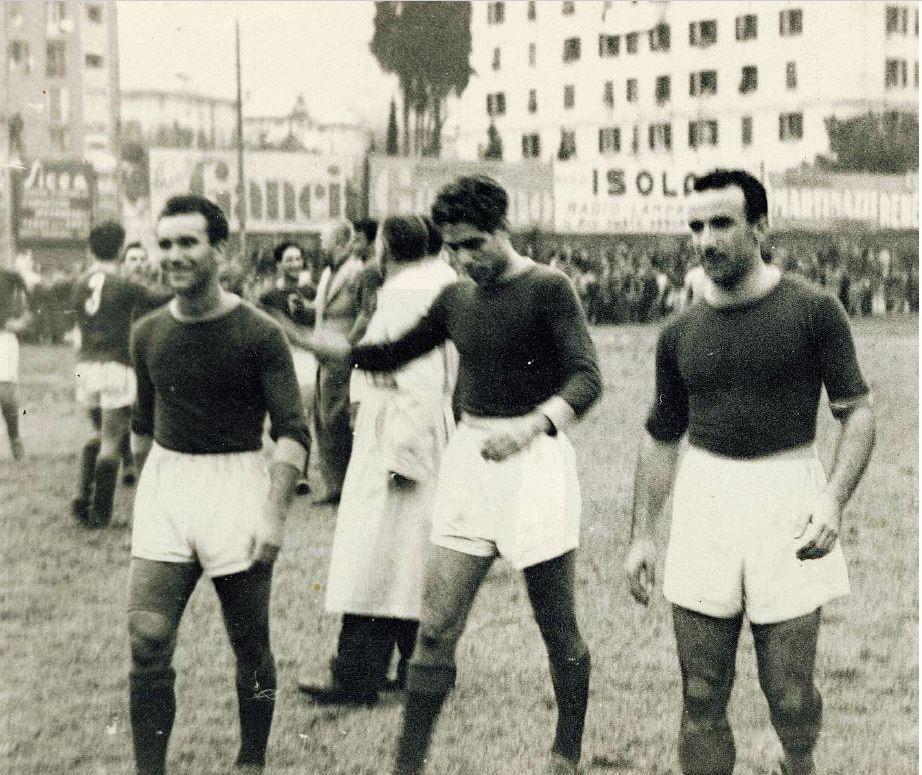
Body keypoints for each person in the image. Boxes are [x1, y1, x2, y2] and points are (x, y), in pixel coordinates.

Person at [296, 176, 602, 775]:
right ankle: (407, 766)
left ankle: (566, 752)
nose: (464, 259)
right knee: (434, 630)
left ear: (503, 229)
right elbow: (391, 352)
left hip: (534, 461)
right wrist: (322, 346)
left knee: (556, 625)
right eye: (453, 248)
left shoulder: (548, 288)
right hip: (469, 461)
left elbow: (587, 378)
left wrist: (534, 425)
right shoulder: (455, 298)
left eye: (475, 244)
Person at [624, 169, 876, 775]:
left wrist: (832, 501)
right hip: (707, 497)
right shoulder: (678, 330)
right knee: (702, 693)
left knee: (790, 697)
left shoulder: (814, 310)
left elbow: (859, 415)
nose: (706, 241)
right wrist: (641, 535)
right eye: (696, 226)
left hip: (787, 495)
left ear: (760, 228)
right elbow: (661, 437)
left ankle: (798, 760)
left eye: (722, 224)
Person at [127, 195, 310, 774]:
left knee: (249, 644)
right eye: (167, 244)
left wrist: (274, 514)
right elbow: (141, 422)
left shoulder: (259, 333)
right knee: (148, 638)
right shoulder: (147, 331)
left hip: (236, 487)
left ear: (220, 250)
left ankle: (251, 762)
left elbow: (292, 432)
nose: (174, 256)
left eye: (189, 242)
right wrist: (142, 495)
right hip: (168, 483)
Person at [297, 215, 457, 707]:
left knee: (376, 559)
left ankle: (358, 675)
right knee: (403, 560)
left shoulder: (408, 293)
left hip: (402, 435)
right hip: (415, 432)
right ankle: (419, 665)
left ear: (387, 247)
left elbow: (421, 380)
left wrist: (403, 455)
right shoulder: (436, 284)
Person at [71, 222, 170, 527]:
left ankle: (81, 495)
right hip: (115, 364)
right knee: (113, 441)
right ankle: (100, 513)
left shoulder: (81, 282)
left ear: (90, 248)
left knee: (98, 434)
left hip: (85, 365)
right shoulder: (123, 283)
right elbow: (159, 298)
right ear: (119, 248)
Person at [311, 220, 365, 504]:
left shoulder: (356, 272)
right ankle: (334, 483)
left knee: (338, 418)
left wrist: (349, 344)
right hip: (324, 355)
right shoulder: (327, 274)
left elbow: (364, 313)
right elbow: (325, 310)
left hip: (342, 355)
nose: (321, 244)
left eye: (325, 239)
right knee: (322, 417)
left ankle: (345, 485)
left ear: (343, 242)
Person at [259, 240, 317, 495]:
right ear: (279, 264)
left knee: (303, 414)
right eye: (289, 259)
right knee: (277, 419)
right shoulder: (268, 297)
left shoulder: (313, 291)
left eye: (298, 259)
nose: (294, 264)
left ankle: (301, 475)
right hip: (279, 358)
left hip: (306, 356)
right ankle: (282, 464)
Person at [0, 265, 31, 460]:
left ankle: (15, 437)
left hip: (3, 339)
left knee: (6, 392)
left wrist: (22, 319)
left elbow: (29, 298)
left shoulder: (8, 277)